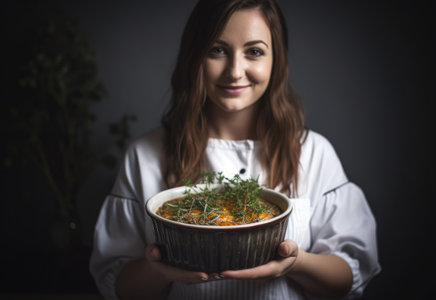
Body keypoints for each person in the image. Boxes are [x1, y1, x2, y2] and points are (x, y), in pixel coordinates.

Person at [90, 0, 381, 299]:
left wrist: (296, 263)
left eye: (254, 52)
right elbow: (119, 285)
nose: (235, 71)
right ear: (195, 55)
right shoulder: (145, 154)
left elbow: (347, 275)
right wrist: (158, 268)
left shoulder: (313, 152)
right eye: (217, 50)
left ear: (275, 60)